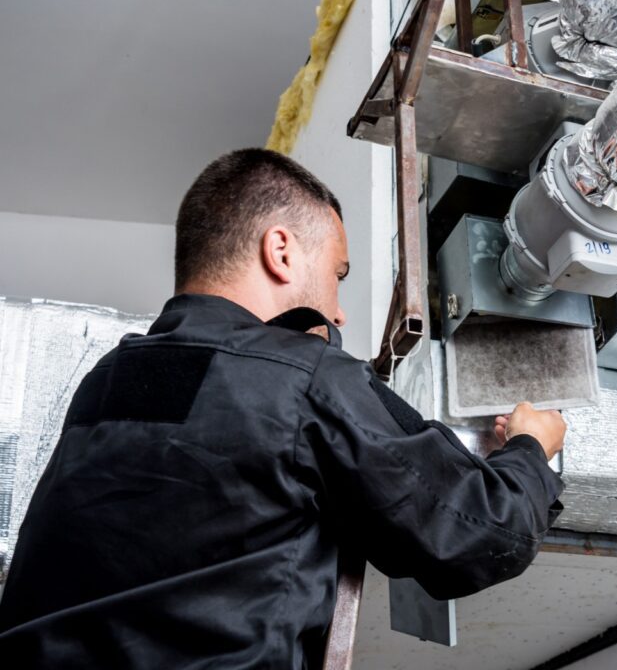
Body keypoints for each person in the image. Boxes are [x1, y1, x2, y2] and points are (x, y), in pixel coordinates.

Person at [0, 148, 567, 667]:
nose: (340, 313)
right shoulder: (299, 374)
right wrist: (532, 448)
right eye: (337, 275)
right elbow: (480, 530)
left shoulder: (104, 381)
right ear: (281, 251)